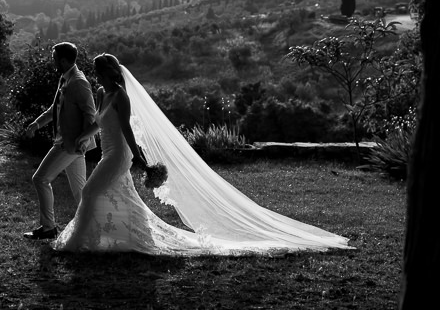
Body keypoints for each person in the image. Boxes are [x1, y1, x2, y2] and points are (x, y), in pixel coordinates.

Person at [52, 53, 354, 255]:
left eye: (99, 72)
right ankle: (121, 238)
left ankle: (77, 243)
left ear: (109, 73)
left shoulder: (121, 97)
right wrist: (82, 136)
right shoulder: (104, 94)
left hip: (119, 156)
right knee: (113, 196)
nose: (96, 76)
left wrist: (142, 162)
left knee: (91, 191)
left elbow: (129, 134)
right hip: (106, 152)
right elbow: (98, 124)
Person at [23, 42, 98, 240]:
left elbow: (91, 115)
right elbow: (54, 109)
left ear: (63, 60)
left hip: (70, 144)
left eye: (54, 58)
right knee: (80, 190)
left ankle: (48, 228)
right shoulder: (65, 78)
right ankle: (94, 225)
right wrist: (36, 124)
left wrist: (84, 140)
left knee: (40, 178)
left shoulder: (79, 83)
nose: (53, 61)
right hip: (68, 142)